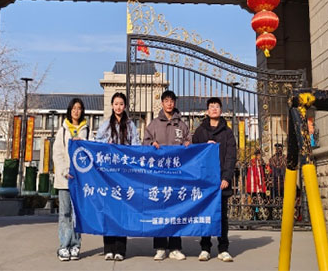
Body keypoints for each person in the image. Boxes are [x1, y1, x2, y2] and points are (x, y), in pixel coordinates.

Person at [143, 90, 191, 261]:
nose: (169, 104)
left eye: (172, 101)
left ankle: (175, 247)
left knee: (177, 211)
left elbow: (190, 143)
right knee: (160, 210)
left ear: (175, 103)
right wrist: (152, 143)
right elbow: (145, 142)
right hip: (159, 175)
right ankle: (160, 247)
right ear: (162, 103)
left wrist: (188, 143)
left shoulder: (182, 125)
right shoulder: (154, 124)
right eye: (166, 101)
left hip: (177, 175)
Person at [94, 92, 140, 261]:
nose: (118, 107)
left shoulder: (130, 125)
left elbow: (136, 145)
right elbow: (97, 142)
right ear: (112, 106)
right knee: (108, 210)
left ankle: (120, 249)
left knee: (122, 211)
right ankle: (108, 248)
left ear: (125, 106)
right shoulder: (106, 124)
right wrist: (106, 145)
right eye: (116, 104)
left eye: (121, 104)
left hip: (124, 174)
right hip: (108, 174)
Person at [192, 97, 237, 262]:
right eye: (211, 106)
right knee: (205, 214)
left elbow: (231, 156)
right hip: (204, 181)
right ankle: (205, 248)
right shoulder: (200, 131)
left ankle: (223, 248)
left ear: (221, 110)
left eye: (217, 106)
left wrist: (226, 177)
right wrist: (205, 145)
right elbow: (193, 153)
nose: (214, 109)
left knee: (222, 216)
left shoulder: (227, 132)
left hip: (220, 182)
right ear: (207, 111)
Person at [52, 98, 89, 261]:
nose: (76, 111)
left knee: (77, 214)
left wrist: (84, 143)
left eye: (79, 108)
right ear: (69, 110)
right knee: (65, 213)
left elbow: (91, 152)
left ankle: (75, 245)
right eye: (74, 108)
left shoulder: (87, 130)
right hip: (65, 180)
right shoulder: (63, 130)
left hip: (80, 180)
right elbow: (57, 154)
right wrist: (64, 171)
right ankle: (63, 246)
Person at [246, 149, 267, 220]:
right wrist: (259, 185)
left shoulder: (259, 162)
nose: (260, 156)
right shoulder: (253, 162)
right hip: (254, 185)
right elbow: (254, 174)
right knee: (255, 200)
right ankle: (254, 215)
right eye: (259, 155)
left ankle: (258, 214)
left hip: (257, 185)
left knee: (258, 200)